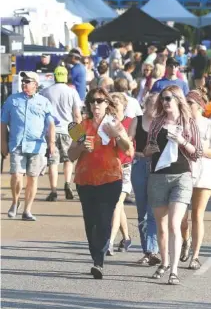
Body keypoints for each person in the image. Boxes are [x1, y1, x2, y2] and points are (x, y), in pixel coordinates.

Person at [68, 88, 133, 279]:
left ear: (107, 104)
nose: (96, 105)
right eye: (93, 101)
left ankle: (99, 261)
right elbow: (71, 155)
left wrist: (117, 135)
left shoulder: (114, 124)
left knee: (104, 219)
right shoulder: (80, 126)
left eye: (100, 101)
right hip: (85, 180)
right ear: (89, 104)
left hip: (110, 179)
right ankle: (96, 255)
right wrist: (80, 147)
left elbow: (128, 150)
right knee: (91, 221)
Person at [145, 85, 202, 285]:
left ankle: (174, 270)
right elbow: (148, 148)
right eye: (163, 98)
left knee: (174, 224)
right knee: (161, 226)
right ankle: (165, 262)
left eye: (169, 98)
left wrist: (181, 141)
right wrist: (149, 149)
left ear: (178, 100)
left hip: (181, 176)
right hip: (158, 176)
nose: (165, 102)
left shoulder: (188, 122)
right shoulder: (157, 122)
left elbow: (197, 153)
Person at [1, 72, 55, 221]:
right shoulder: (12, 100)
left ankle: (27, 210)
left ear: (35, 84)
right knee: (16, 176)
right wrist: (3, 143)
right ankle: (15, 201)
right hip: (17, 144)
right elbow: (3, 122)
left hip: (37, 146)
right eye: (23, 81)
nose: (24, 83)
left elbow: (51, 124)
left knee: (32, 178)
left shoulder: (44, 102)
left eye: (28, 81)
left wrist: (51, 143)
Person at [180, 90, 211, 268]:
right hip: (183, 172)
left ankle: (196, 256)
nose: (187, 106)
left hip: (203, 172)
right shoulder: (180, 124)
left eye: (190, 103)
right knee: (182, 219)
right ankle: (186, 240)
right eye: (185, 102)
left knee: (197, 215)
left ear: (199, 106)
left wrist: (201, 151)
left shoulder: (210, 126)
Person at [41, 66, 82, 201]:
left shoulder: (45, 92)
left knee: (52, 161)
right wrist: (78, 134)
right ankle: (67, 183)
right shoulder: (72, 92)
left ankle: (53, 190)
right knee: (68, 159)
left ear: (54, 76)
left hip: (50, 131)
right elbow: (77, 115)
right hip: (68, 130)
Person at [128, 93, 160, 265]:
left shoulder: (162, 123)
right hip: (140, 164)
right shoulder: (137, 120)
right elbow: (128, 141)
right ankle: (147, 251)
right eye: (151, 104)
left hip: (157, 167)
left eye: (157, 105)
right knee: (142, 211)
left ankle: (152, 250)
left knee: (152, 210)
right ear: (146, 104)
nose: (154, 108)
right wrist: (134, 153)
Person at [107, 93, 134, 255]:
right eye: (111, 104)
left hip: (126, 167)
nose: (114, 107)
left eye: (116, 104)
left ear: (124, 106)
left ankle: (108, 241)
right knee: (119, 205)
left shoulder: (131, 122)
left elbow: (131, 148)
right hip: (109, 168)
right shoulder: (106, 122)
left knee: (117, 203)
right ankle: (127, 237)